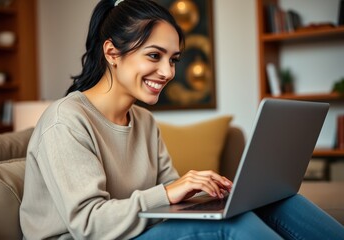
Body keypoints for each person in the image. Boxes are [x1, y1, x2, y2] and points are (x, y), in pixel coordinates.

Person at [20, 0, 344, 239]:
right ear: (112, 53)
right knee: (232, 227)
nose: (167, 72)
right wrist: (170, 192)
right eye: (154, 55)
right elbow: (88, 224)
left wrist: (209, 195)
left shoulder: (143, 121)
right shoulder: (66, 121)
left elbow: (168, 202)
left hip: (134, 233)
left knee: (280, 201)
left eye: (173, 59)